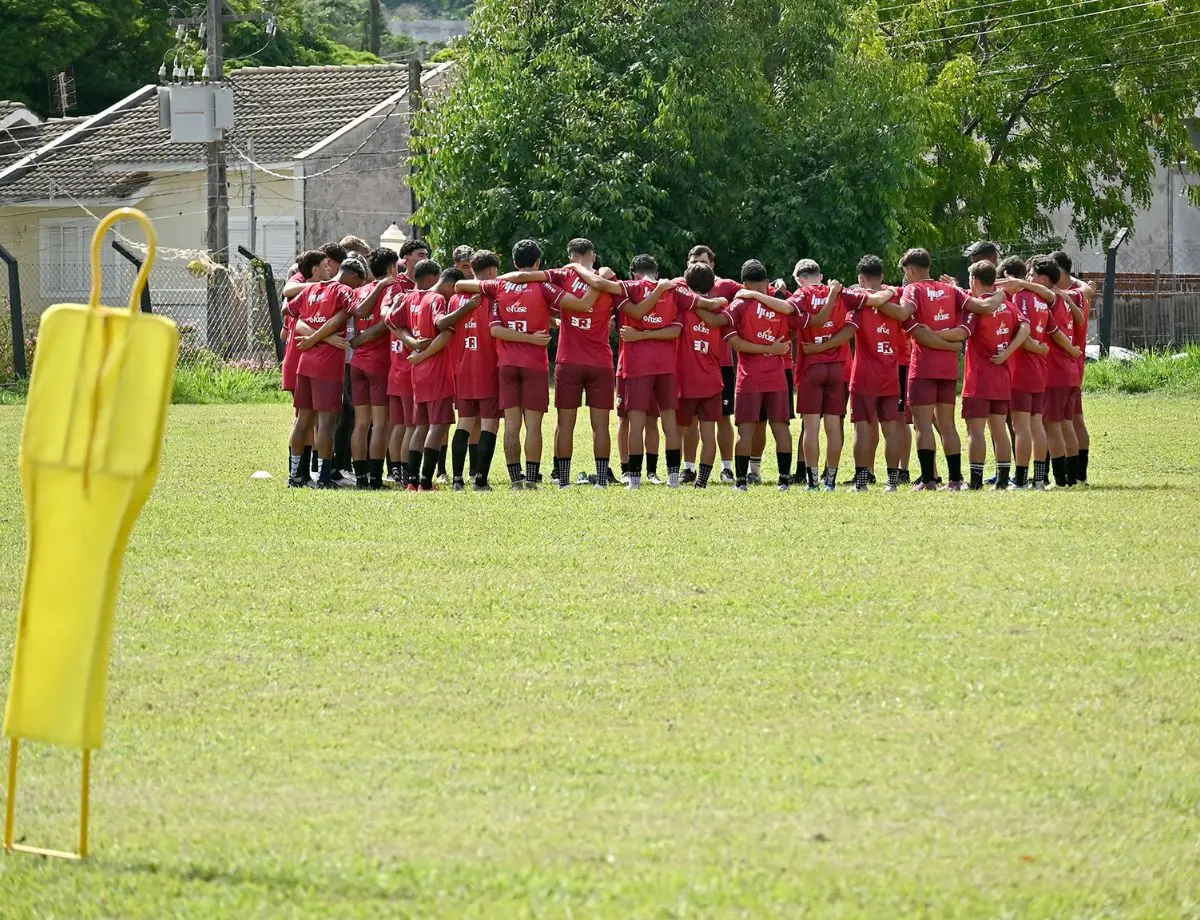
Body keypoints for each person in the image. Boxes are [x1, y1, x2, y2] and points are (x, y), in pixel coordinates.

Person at [455, 239, 599, 490]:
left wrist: (506, 279)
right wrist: (602, 280)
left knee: (511, 425)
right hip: (534, 363)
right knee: (533, 425)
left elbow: (460, 284)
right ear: (538, 263)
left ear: (513, 263)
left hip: (507, 365)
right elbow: (584, 304)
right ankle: (531, 479)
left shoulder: (499, 285)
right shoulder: (544, 287)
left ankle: (515, 480)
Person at [898, 248, 1002, 491]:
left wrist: (931, 334)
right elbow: (982, 306)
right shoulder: (951, 289)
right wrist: (952, 344)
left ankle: (928, 480)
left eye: (906, 272)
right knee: (948, 424)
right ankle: (955, 479)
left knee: (922, 424)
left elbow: (916, 330)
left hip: (923, 367)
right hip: (947, 368)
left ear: (911, 270)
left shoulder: (914, 289)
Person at [519, 238, 620, 489]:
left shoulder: (563, 275)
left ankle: (563, 479)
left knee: (565, 424)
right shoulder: (609, 280)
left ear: (570, 255)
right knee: (601, 425)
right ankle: (601, 480)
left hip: (569, 360)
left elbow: (527, 278)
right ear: (593, 256)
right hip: (600, 361)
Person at [791, 258, 896, 491]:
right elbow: (875, 301)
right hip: (839, 367)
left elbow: (784, 310)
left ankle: (812, 482)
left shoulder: (802, 296)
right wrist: (894, 289)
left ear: (799, 280)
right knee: (833, 426)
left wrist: (754, 296)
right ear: (820, 275)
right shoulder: (841, 293)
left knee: (811, 427)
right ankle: (831, 481)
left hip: (811, 366)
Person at [289, 255, 367, 488]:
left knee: (302, 419)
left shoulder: (310, 290)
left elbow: (294, 317)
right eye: (359, 283)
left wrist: (313, 337)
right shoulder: (343, 291)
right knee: (325, 423)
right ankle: (323, 478)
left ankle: (294, 476)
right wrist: (380, 286)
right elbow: (359, 311)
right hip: (327, 365)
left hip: (305, 361)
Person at [720, 260, 797, 492]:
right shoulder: (780, 304)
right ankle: (784, 480)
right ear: (766, 282)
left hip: (749, 377)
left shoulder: (740, 304)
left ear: (744, 284)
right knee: (781, 427)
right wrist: (773, 349)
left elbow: (732, 339)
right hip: (777, 377)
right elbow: (797, 323)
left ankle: (741, 482)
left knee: (746, 429)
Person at [845, 255, 914, 491]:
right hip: (890, 374)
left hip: (863, 376)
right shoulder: (896, 300)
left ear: (861, 278)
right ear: (882, 276)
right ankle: (892, 483)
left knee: (862, 429)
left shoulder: (858, 302)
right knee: (891, 427)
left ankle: (861, 483)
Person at [614, 255, 683, 489]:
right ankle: (673, 479)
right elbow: (674, 330)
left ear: (633, 273)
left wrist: (642, 334)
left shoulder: (629, 289)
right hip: (666, 365)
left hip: (636, 365)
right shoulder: (673, 290)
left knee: (636, 422)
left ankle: (634, 480)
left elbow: (636, 314)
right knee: (669, 421)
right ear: (656, 270)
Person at [960, 261, 1029, 490]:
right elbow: (1025, 327)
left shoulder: (977, 307)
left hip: (978, 379)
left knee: (975, 430)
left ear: (975, 281)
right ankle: (1001, 480)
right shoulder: (1008, 305)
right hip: (1001, 377)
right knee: (999, 429)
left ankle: (976, 481)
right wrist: (1008, 352)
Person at [389, 260, 456, 491]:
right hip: (435, 369)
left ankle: (412, 481)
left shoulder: (408, 298)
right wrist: (422, 353)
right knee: (437, 427)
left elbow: (392, 323)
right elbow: (444, 332)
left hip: (417, 372)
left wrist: (413, 345)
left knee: (420, 426)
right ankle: (426, 481)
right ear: (430, 279)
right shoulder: (436, 299)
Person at [683, 245, 741, 482]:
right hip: (689, 364)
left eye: (704, 261)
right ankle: (689, 468)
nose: (698, 265)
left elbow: (751, 291)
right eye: (694, 260)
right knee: (689, 419)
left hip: (722, 363)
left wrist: (774, 288)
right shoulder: (681, 284)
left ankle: (726, 467)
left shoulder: (726, 286)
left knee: (723, 417)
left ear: (712, 264)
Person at [674, 263, 733, 488]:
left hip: (685, 381)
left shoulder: (682, 308)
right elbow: (723, 305)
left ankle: (676, 476)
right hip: (712, 380)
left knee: (677, 432)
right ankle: (702, 482)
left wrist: (691, 302)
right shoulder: (720, 309)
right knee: (709, 432)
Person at [444, 250, 499, 491]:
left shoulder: (456, 299)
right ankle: (480, 480)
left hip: (462, 368)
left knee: (464, 422)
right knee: (489, 424)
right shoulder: (492, 298)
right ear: (491, 271)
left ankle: (457, 479)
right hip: (488, 367)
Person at [347, 247, 400, 489]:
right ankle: (376, 478)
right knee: (380, 423)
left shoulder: (360, 290)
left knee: (361, 423)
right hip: (378, 362)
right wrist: (365, 338)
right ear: (391, 268)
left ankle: (360, 478)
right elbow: (384, 322)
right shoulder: (392, 287)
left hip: (357, 363)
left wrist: (359, 340)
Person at [280, 249, 328, 480]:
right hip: (301, 359)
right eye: (327, 265)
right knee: (305, 419)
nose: (331, 270)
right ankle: (300, 473)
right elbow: (287, 295)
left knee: (308, 419)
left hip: (303, 359)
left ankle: (303, 473)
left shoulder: (315, 288)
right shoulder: (303, 284)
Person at [1038, 255, 1084, 488]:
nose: (1029, 279)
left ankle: (1059, 480)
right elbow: (1080, 318)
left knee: (1052, 426)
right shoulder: (1065, 297)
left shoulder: (1051, 298)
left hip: (1055, 371)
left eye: (1031, 275)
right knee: (1067, 424)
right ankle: (1074, 478)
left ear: (1044, 279)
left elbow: (1056, 332)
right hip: (1070, 371)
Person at [1052, 251, 1092, 485]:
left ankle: (1073, 475)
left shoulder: (1067, 296)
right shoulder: (1076, 293)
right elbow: (1087, 288)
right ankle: (1078, 476)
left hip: (1066, 364)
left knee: (1067, 422)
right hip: (1072, 366)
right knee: (1074, 419)